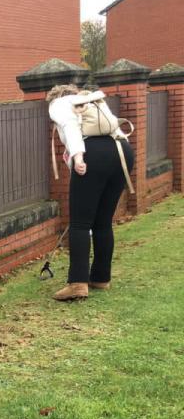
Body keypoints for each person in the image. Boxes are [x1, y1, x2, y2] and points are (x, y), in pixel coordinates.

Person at [47, 84, 134, 301]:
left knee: (80, 223)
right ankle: (101, 278)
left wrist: (78, 157)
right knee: (103, 221)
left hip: (91, 155)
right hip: (122, 152)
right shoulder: (92, 101)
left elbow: (69, 127)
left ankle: (77, 283)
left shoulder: (59, 104)